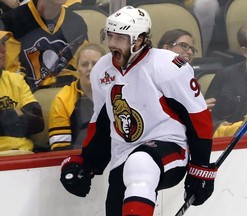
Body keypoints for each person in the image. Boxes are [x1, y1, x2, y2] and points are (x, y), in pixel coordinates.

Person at [60, 5, 217, 216]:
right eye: (110, 36)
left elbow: (199, 117)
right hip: (124, 152)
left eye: (120, 38)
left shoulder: (167, 65)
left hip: (170, 147)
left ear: (140, 40)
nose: (113, 44)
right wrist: (87, 162)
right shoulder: (102, 70)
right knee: (117, 204)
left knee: (140, 162)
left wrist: (201, 167)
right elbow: (103, 120)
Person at [0, 0, 88, 92]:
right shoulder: (10, 22)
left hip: (63, 94)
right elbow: (11, 72)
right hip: (23, 97)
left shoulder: (77, 23)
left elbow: (80, 69)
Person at [48, 43, 106, 151]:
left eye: (95, 64)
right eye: (84, 64)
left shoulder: (116, 93)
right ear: (77, 68)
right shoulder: (63, 99)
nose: (90, 68)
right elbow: (60, 150)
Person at [0, 30, 44, 153]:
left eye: (3, 44)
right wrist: (16, 113)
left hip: (23, 153)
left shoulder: (16, 80)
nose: (3, 50)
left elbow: (38, 123)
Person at [158, 28, 216, 110]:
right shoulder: (151, 77)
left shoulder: (189, 80)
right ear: (166, 48)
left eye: (192, 49)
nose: (190, 52)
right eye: (184, 46)